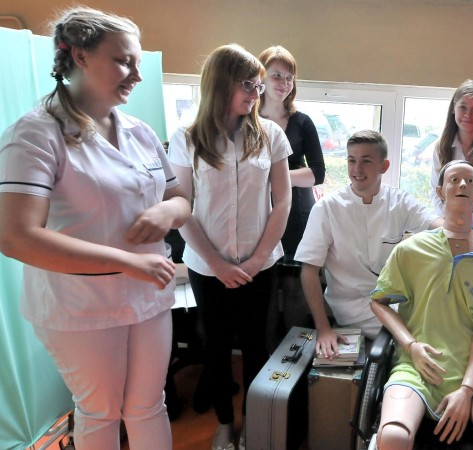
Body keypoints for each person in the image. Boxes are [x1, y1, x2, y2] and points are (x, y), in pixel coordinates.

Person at [0, 7, 191, 449]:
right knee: (100, 410)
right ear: (80, 57)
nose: (136, 75)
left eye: (138, 63)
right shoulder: (35, 134)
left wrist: (168, 213)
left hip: (148, 296)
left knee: (148, 405)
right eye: (124, 62)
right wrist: (127, 262)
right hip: (80, 305)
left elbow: (181, 197)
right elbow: (16, 236)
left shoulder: (140, 132)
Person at [167, 43, 292, 450]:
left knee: (258, 347)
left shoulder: (270, 134)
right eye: (247, 85)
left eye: (258, 86)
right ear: (220, 84)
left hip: (261, 265)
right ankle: (225, 422)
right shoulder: (187, 137)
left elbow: (283, 201)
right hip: (208, 268)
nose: (256, 94)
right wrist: (216, 263)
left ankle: (255, 423)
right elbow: (182, 206)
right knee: (216, 349)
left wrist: (257, 260)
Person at [370, 160, 473, 449]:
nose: (462, 185)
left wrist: (467, 390)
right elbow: (379, 302)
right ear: (440, 191)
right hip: (416, 369)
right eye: (454, 180)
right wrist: (411, 345)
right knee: (393, 436)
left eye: (470, 181)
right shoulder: (410, 251)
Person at [295, 130, 440, 358]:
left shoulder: (399, 201)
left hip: (395, 301)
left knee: (442, 330)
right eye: (351, 160)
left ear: (384, 166)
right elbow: (309, 271)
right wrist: (323, 328)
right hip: (353, 308)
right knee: (419, 345)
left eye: (366, 161)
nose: (357, 169)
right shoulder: (327, 208)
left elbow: (438, 225)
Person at [258, 45, 325, 342]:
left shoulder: (302, 122)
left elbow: (318, 174)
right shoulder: (246, 119)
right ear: (261, 77)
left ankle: (295, 361)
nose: (284, 83)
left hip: (298, 215)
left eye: (289, 78)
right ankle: (266, 364)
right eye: (277, 75)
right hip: (258, 215)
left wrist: (274, 178)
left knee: (297, 292)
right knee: (266, 294)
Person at [430, 79, 473, 217]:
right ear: (453, 108)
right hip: (447, 222)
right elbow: (435, 191)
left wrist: (470, 221)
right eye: (463, 107)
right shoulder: (441, 147)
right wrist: (451, 220)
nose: (468, 114)